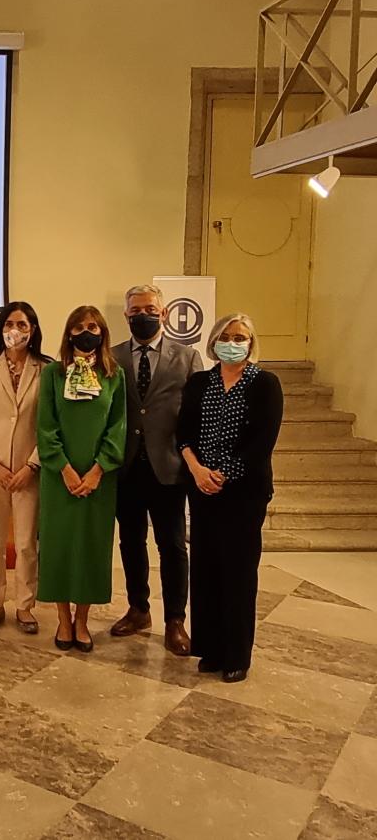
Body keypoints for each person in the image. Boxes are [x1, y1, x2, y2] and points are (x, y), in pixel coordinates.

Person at [177, 314, 282, 683]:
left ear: (251, 344)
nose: (233, 343)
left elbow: (262, 441)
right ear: (214, 341)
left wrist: (222, 474)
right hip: (202, 489)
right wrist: (197, 470)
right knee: (206, 570)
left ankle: (237, 655)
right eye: (226, 336)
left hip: (244, 494)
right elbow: (183, 432)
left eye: (240, 337)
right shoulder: (199, 382)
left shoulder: (264, 384)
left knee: (238, 572)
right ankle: (212, 649)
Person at [111, 284, 204, 656]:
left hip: (169, 467)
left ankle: (175, 621)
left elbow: (195, 414)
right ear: (126, 315)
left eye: (150, 309)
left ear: (163, 313)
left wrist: (194, 462)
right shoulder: (113, 356)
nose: (143, 315)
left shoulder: (188, 357)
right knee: (131, 542)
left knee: (172, 545)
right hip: (127, 465)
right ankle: (139, 609)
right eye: (135, 310)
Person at [36, 305, 126, 653]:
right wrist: (65, 468)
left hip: (99, 479)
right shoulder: (53, 373)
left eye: (93, 326)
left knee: (91, 546)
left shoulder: (114, 375)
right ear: (69, 333)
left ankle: (83, 620)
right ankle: (63, 619)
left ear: (102, 332)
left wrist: (98, 470)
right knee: (58, 546)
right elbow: (45, 425)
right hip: (59, 476)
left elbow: (118, 426)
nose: (86, 332)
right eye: (79, 327)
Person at [0, 301, 48, 633]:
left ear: (33, 330)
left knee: (27, 542)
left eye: (22, 325)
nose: (15, 331)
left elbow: (50, 424)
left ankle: (25, 605)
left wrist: (32, 465)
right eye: (9, 324)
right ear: (0, 329)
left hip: (30, 470)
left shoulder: (46, 369)